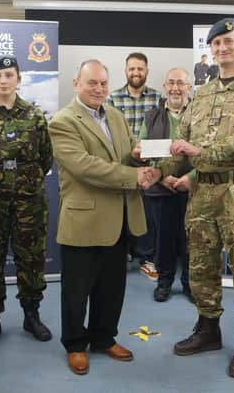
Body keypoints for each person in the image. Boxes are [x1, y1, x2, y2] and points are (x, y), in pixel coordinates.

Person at [154, 18, 234, 378]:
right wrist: (149, 164)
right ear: (211, 50)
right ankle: (208, 330)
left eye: (228, 41)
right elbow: (180, 147)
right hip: (203, 193)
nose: (222, 48)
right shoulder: (201, 94)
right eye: (216, 43)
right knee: (201, 265)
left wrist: (197, 150)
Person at [48, 59, 160, 376]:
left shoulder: (115, 116)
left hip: (119, 219)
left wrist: (138, 156)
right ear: (76, 84)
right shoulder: (63, 121)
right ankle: (74, 344)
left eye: (102, 83)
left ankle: (103, 338)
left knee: (112, 289)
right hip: (84, 222)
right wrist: (133, 176)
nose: (98, 89)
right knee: (76, 291)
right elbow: (85, 167)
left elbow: (123, 155)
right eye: (91, 83)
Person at [0, 55, 53, 347]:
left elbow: (45, 157)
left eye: (9, 75)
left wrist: (25, 180)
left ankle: (32, 315)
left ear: (19, 79)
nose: (4, 81)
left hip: (29, 201)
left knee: (31, 258)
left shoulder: (35, 115)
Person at [137, 67, 195, 303]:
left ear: (189, 87)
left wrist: (189, 178)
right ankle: (164, 281)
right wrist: (162, 177)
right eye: (171, 83)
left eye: (180, 83)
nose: (175, 88)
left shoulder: (199, 115)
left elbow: (207, 152)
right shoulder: (151, 117)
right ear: (164, 86)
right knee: (164, 239)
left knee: (191, 239)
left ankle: (190, 284)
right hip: (161, 188)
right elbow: (143, 151)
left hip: (193, 188)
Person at [106, 52, 162, 280]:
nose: (136, 73)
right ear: (125, 71)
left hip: (150, 163)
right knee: (121, 210)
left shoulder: (159, 99)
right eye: (132, 69)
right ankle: (123, 253)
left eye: (140, 69)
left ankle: (146, 257)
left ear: (146, 71)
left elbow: (162, 129)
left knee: (148, 213)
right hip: (122, 164)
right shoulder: (113, 99)